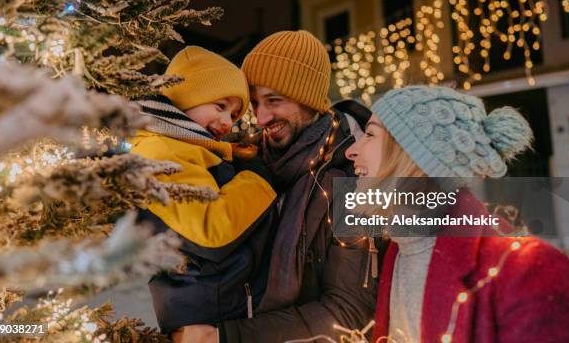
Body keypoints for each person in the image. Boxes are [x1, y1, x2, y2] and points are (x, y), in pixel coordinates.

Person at [178, 30, 384, 343]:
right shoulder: (249, 164)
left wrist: (226, 337)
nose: (260, 118)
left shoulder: (353, 181)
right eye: (255, 103)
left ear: (309, 99)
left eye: (274, 100)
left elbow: (348, 312)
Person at [345, 85, 569, 342]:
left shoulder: (530, 272)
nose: (351, 151)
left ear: (416, 156)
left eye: (370, 134)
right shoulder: (397, 254)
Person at [129, 46, 278, 336]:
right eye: (220, 106)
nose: (227, 122)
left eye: (234, 115)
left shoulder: (187, 149)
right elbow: (209, 230)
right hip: (207, 314)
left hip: (215, 307)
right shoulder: (161, 150)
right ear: (187, 98)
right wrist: (258, 179)